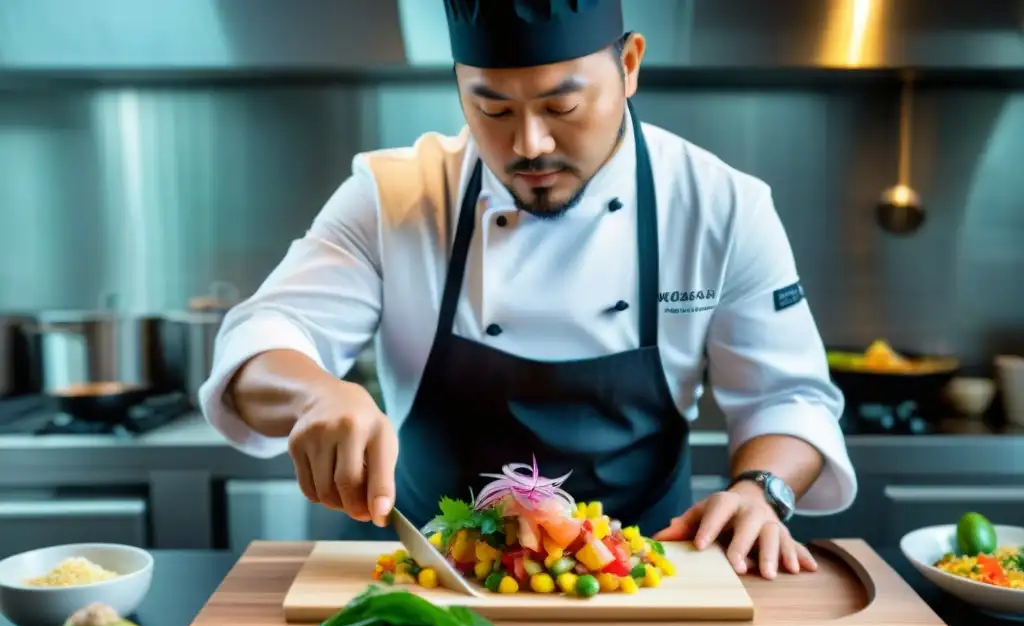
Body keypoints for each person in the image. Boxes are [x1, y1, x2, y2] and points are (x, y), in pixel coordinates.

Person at [199, 0, 857, 579]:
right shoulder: (394, 196)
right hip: (427, 578)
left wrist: (760, 491)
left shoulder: (721, 206)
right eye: (492, 108)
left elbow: (788, 396)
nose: (528, 143)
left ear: (629, 65)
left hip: (643, 577)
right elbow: (265, 336)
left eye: (560, 106)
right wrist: (317, 395)